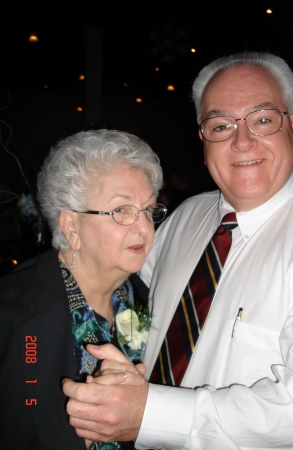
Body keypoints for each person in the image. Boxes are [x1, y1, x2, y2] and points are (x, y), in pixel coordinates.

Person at [63, 52, 293, 449]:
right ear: (204, 139)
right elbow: (128, 299)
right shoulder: (186, 216)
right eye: (221, 125)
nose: (242, 142)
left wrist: (151, 415)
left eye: (262, 120)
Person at [0, 129, 167, 449]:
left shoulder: (149, 303)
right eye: (121, 210)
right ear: (71, 228)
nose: (144, 227)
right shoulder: (9, 314)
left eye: (149, 210)